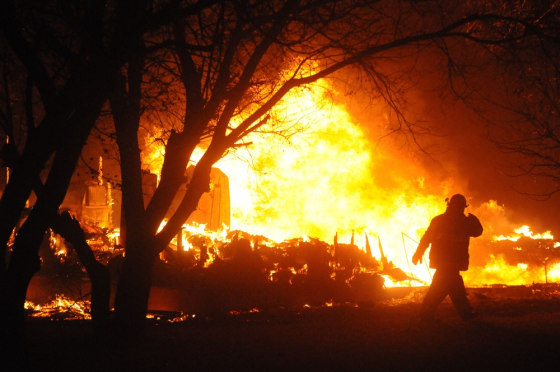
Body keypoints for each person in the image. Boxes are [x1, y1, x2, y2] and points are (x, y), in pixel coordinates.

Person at [412, 193, 483, 323]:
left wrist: (419, 253)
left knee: (449, 287)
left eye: (461, 207)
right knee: (447, 287)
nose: (459, 209)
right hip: (446, 261)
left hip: (450, 262)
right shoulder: (447, 221)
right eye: (458, 207)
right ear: (451, 206)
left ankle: (428, 314)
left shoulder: (460, 222)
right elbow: (427, 238)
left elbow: (477, 232)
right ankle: (464, 314)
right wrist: (418, 252)